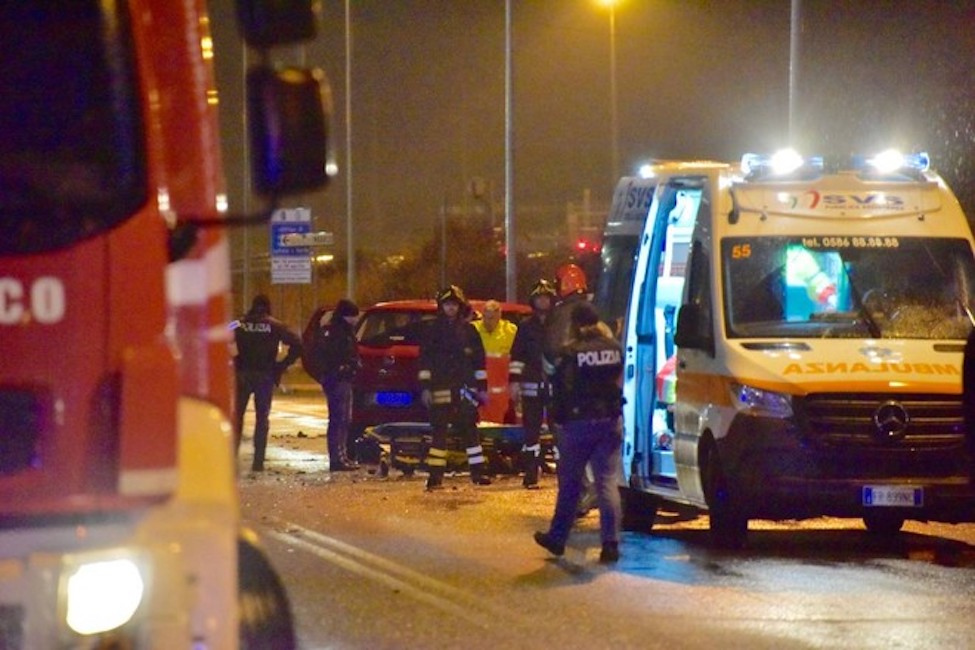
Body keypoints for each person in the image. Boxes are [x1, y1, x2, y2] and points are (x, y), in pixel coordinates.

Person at [534, 302, 624, 563]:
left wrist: (558, 418)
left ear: (575, 323)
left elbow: (560, 388)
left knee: (571, 483)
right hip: (609, 421)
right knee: (606, 482)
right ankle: (610, 545)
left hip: (579, 424)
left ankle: (558, 538)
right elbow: (616, 383)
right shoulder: (614, 349)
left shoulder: (570, 352)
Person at [418, 285, 492, 490]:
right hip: (440, 388)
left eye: (454, 305)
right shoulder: (432, 330)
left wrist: (481, 388)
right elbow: (424, 362)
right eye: (447, 305)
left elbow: (479, 363)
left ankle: (478, 474)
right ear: (441, 307)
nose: (450, 308)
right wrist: (425, 387)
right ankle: (435, 478)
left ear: (460, 307)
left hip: (465, 389)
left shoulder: (469, 331)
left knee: (470, 431)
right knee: (439, 433)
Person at [232, 294, 302, 472]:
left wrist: (233, 360)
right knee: (262, 418)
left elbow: (220, 334)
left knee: (237, 417)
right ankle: (258, 461)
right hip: (265, 375)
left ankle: (231, 457)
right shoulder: (275, 325)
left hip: (242, 375)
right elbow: (297, 342)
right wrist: (282, 365)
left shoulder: (238, 323)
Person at [508, 279, 557, 489]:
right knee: (531, 432)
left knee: (559, 431)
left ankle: (565, 474)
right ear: (533, 301)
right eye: (539, 298)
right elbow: (517, 356)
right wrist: (514, 383)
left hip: (556, 387)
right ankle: (530, 474)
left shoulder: (560, 324)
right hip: (531, 386)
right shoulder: (526, 327)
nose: (543, 302)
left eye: (546, 298)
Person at [317, 298, 361, 472]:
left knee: (344, 419)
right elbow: (333, 355)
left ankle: (341, 457)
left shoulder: (340, 330)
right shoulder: (337, 332)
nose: (356, 319)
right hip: (337, 378)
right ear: (346, 316)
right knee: (339, 419)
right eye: (353, 316)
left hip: (341, 378)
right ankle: (337, 459)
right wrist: (346, 365)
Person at [473, 299, 518, 423]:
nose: (488, 321)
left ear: (499, 316)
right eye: (486, 317)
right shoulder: (474, 329)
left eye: (492, 317)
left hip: (503, 391)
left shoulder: (511, 331)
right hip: (480, 386)